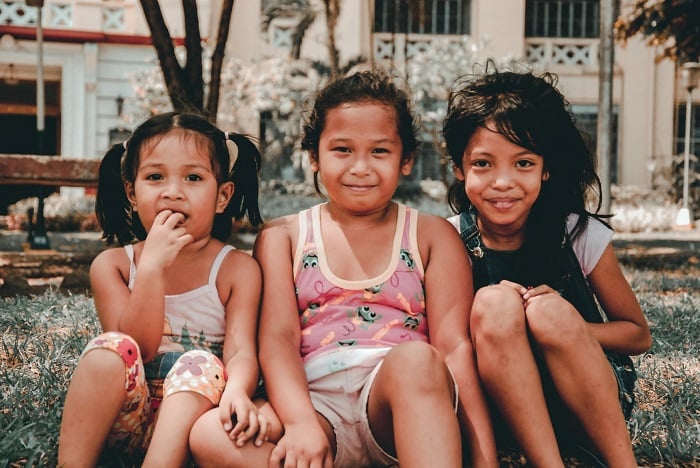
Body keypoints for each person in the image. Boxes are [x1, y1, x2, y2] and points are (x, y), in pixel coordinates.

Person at [190, 70, 497, 467]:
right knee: (210, 433)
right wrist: (300, 423)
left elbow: (454, 350)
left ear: (406, 160)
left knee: (418, 360)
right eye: (342, 150)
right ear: (314, 156)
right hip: (313, 405)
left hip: (398, 402)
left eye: (380, 152)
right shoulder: (284, 237)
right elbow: (279, 339)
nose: (361, 167)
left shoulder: (431, 236)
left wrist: (485, 460)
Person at [442, 67, 652, 467]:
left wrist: (563, 326)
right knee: (494, 304)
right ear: (458, 167)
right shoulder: (448, 242)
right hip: (501, 409)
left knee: (549, 311)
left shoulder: (578, 234)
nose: (503, 182)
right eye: (483, 164)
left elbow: (638, 335)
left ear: (546, 168)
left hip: (590, 405)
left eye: (523, 163)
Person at [57, 112, 271, 467]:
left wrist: (237, 391)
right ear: (132, 193)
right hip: (131, 420)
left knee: (199, 362)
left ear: (222, 196)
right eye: (155, 177)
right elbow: (137, 346)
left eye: (193, 177)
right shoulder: (114, 266)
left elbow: (241, 352)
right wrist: (152, 268)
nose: (173, 192)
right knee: (108, 348)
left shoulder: (237, 269)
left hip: (195, 427)